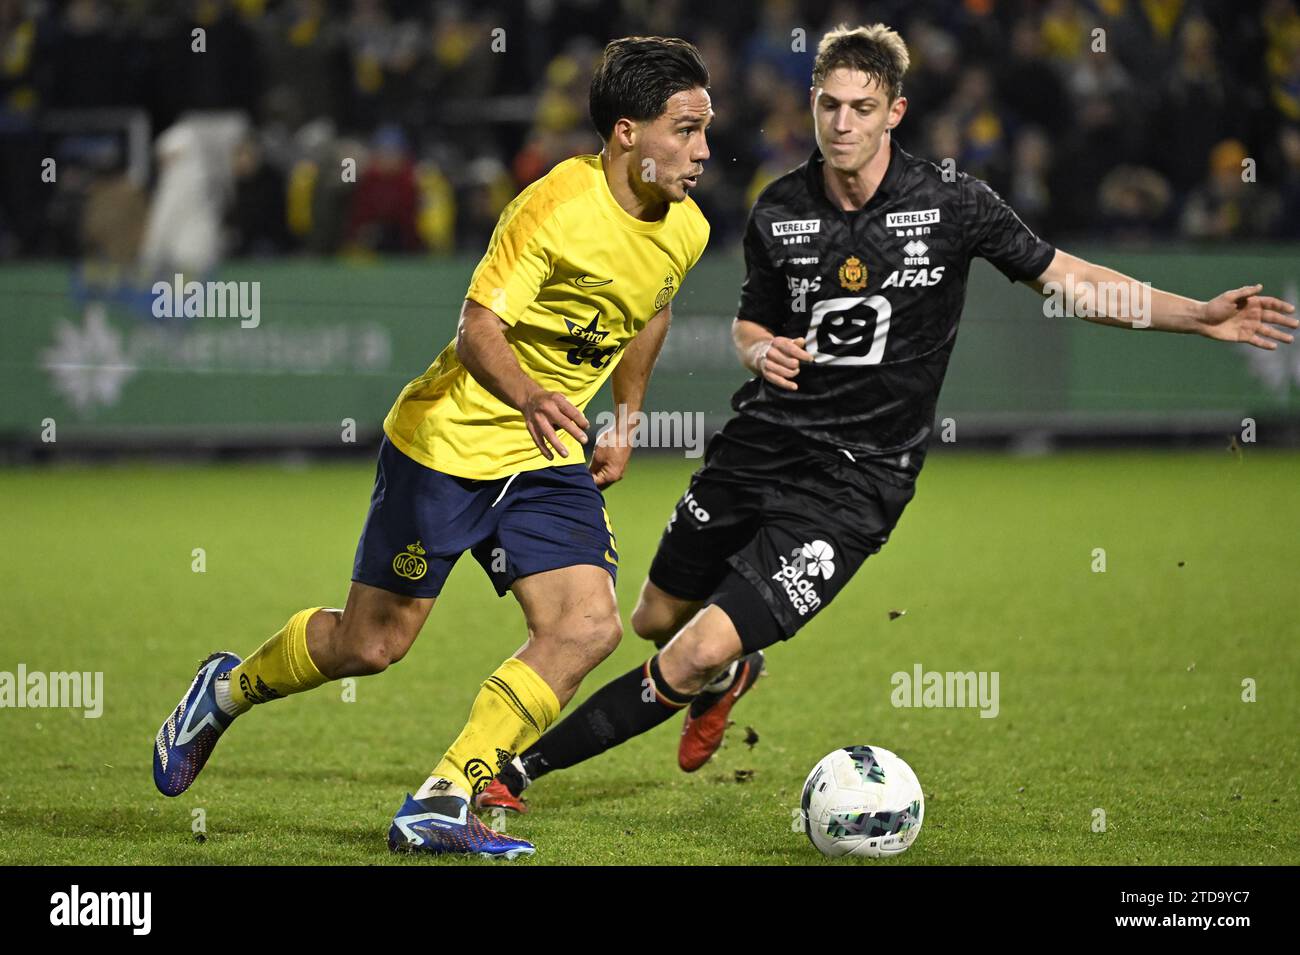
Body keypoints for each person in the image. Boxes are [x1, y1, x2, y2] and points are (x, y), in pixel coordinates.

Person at [478, 23, 1297, 818]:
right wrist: (759, 352)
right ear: (812, 103)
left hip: (855, 484)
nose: (841, 123)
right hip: (758, 445)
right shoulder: (780, 209)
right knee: (653, 617)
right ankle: (732, 675)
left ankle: (519, 771)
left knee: (687, 650)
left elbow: (1069, 279)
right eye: (829, 105)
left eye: (861, 108)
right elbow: (749, 324)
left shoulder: (953, 205)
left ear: (894, 112)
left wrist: (1198, 315)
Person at [151, 36, 713, 859]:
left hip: (544, 456)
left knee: (588, 626)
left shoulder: (686, 228)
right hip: (447, 444)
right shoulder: (555, 207)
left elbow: (650, 309)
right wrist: (530, 395)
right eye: (685, 130)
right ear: (627, 132)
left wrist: (626, 419)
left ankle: (443, 796)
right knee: (371, 644)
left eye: (705, 131)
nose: (703, 151)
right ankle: (226, 690)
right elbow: (476, 328)